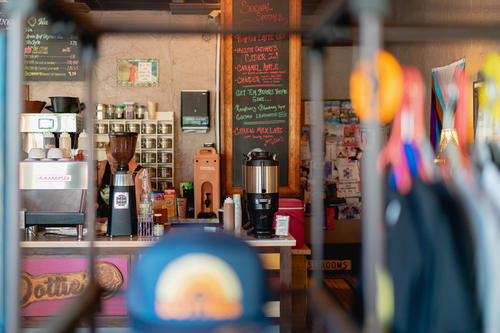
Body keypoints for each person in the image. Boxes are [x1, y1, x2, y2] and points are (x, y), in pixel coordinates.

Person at [97, 143, 149, 222]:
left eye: (115, 163)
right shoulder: (104, 166)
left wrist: (112, 220)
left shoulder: (140, 173)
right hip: (102, 223)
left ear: (126, 158)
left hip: (127, 223)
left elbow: (140, 210)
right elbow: (95, 192)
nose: (113, 167)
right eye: (110, 162)